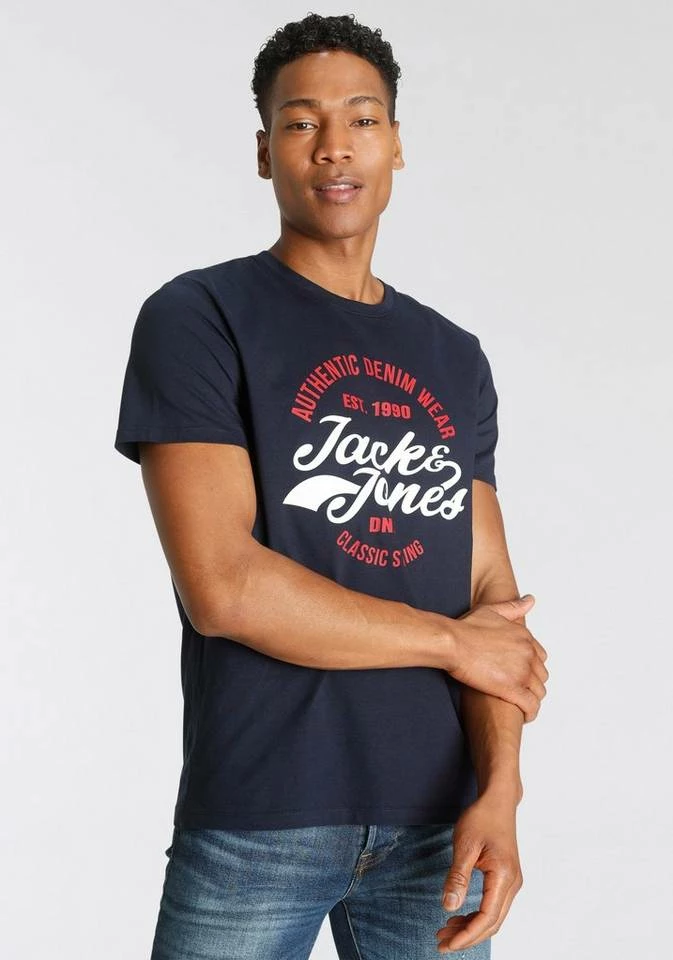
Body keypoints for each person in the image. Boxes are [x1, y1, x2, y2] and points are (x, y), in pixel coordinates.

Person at [113, 12, 548, 959]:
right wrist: (448, 642)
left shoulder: (454, 356)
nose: (334, 146)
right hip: (261, 814)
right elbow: (224, 586)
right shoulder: (200, 317)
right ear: (264, 152)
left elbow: (494, 607)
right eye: (302, 122)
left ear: (396, 145)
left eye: (361, 118)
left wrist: (499, 792)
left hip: (439, 826)